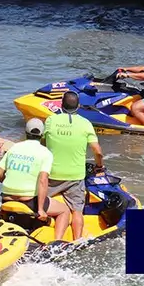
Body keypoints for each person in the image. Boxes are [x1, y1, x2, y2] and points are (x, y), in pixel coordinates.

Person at [42, 91, 105, 241]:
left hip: (51, 175)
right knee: (77, 211)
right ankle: (77, 241)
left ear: (61, 105)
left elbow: (42, 143)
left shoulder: (51, 120)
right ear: (78, 106)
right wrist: (99, 166)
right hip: (75, 177)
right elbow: (97, 151)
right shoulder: (85, 123)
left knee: (41, 203)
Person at [0, 121, 70, 243]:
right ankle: (57, 244)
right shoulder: (45, 153)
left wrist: (12, 186)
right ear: (42, 134)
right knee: (64, 210)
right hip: (28, 201)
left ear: (26, 132)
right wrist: (41, 210)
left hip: (6, 199)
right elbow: (43, 181)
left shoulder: (14, 148)